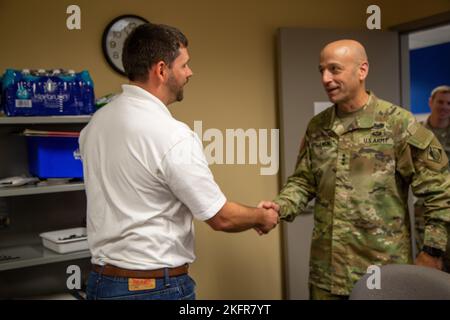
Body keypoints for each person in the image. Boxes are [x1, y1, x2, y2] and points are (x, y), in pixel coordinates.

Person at [79, 23, 279, 300]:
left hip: (102, 284)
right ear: (161, 70)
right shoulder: (171, 134)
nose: (189, 72)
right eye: (184, 65)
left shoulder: (96, 124)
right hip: (153, 290)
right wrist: (263, 216)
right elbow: (220, 217)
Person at [259, 40, 450, 300]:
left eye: (335, 69)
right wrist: (279, 207)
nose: (326, 78)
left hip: (383, 275)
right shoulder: (318, 127)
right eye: (322, 70)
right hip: (325, 275)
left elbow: (440, 191)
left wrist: (433, 251)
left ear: (362, 70)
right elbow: (303, 182)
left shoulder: (398, 124)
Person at [414, 85, 450, 273]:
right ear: (430, 102)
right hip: (426, 213)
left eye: (449, 103)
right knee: (430, 272)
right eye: (440, 102)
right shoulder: (418, 134)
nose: (444, 107)